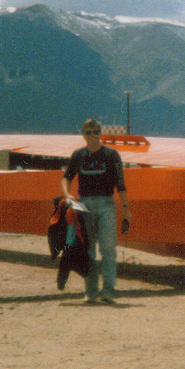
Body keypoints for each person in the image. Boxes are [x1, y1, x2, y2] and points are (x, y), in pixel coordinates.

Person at [61, 119, 129, 305]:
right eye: (88, 132)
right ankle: (91, 292)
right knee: (88, 250)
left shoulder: (111, 154)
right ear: (83, 135)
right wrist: (67, 195)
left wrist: (125, 208)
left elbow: (121, 183)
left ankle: (108, 291)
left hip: (107, 202)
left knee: (108, 248)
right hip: (85, 205)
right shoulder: (78, 155)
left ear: (101, 133)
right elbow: (66, 178)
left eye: (95, 132)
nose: (92, 136)